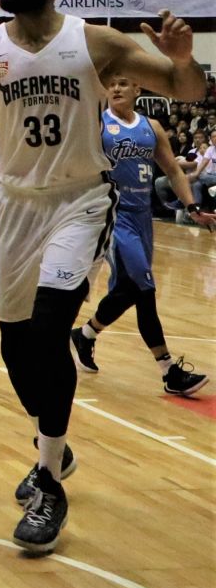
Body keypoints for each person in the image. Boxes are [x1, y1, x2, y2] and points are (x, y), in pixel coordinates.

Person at [0, 0, 206, 554]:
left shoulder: (95, 42)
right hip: (16, 204)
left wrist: (185, 59)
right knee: (16, 349)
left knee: (47, 330)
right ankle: (56, 446)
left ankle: (48, 482)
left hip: (79, 200)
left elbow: (187, 90)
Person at [68, 75, 214, 397]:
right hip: (113, 216)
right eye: (111, 84)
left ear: (138, 89)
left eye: (124, 83)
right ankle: (168, 370)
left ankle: (86, 335)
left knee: (128, 289)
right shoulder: (96, 123)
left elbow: (173, 170)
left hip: (142, 217)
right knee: (145, 287)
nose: (116, 88)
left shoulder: (151, 127)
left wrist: (192, 207)